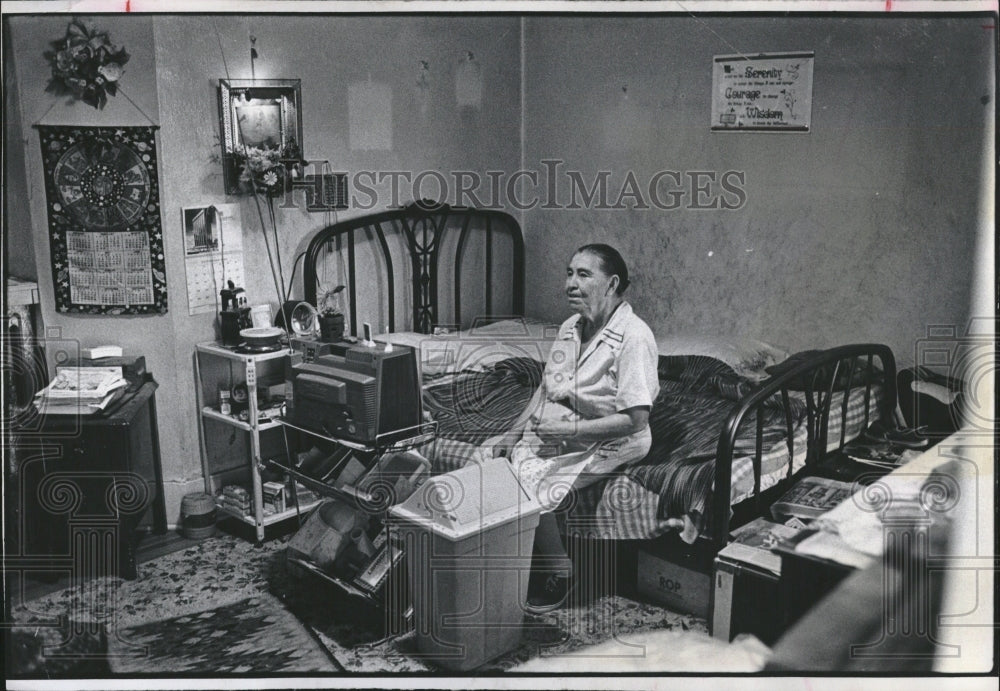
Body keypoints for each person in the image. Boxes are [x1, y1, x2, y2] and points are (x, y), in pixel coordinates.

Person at [480, 243, 660, 614]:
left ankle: (561, 572)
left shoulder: (634, 337)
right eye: (568, 273)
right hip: (568, 426)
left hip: (616, 437)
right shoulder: (569, 328)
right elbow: (548, 387)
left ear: (611, 284)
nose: (569, 284)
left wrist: (570, 431)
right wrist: (514, 433)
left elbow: (636, 420)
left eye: (583, 274)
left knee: (535, 487)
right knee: (495, 464)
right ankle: (507, 564)